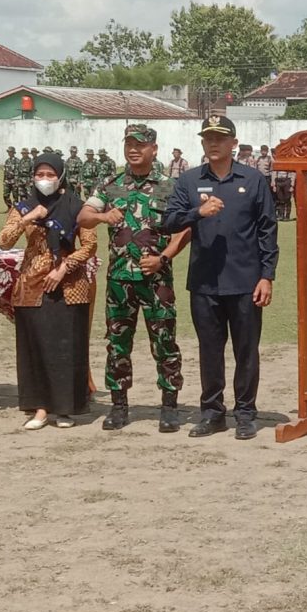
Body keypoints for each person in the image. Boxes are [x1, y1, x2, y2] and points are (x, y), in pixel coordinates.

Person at [163, 115, 278, 439]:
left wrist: (266, 276)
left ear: (233, 143)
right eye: (207, 138)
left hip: (245, 280)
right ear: (202, 143)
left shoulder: (253, 180)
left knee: (246, 349)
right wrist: (197, 213)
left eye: (219, 138)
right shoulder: (188, 181)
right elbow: (169, 221)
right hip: (205, 282)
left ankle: (245, 413)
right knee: (209, 350)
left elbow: (267, 230)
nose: (213, 143)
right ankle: (212, 413)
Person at [78, 125, 191, 433]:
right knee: (117, 344)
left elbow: (185, 229)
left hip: (157, 280)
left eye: (140, 144)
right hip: (119, 281)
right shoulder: (110, 184)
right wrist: (103, 217)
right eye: (129, 143)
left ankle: (169, 406)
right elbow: (83, 216)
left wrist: (162, 258)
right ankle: (118, 406)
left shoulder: (171, 186)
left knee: (165, 342)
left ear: (154, 148)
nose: (133, 149)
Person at [0, 152, 97, 430]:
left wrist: (64, 267)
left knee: (66, 346)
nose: (44, 180)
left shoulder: (76, 206)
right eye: (39, 175)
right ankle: (40, 409)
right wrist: (28, 218)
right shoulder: (24, 207)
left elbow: (89, 245)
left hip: (69, 286)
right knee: (37, 347)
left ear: (61, 176)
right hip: (32, 286)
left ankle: (65, 408)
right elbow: (4, 241)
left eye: (50, 175)